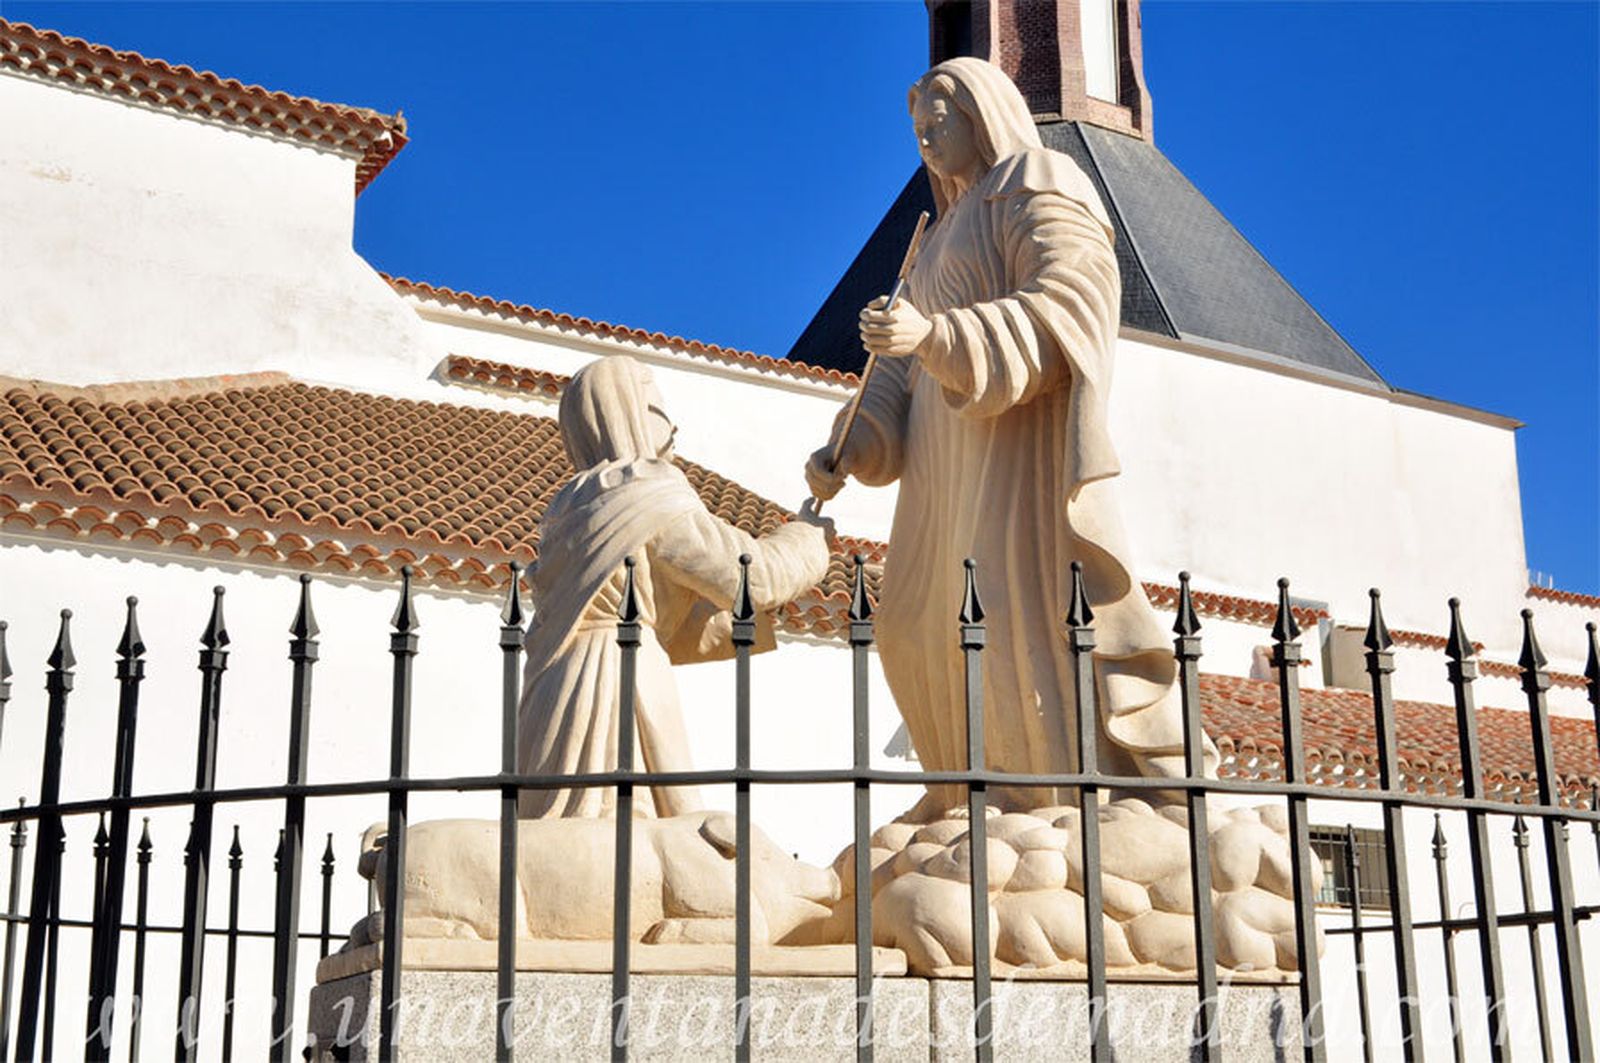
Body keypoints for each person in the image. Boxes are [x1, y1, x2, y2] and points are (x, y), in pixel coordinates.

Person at [805, 58, 1214, 817]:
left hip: (1011, 449)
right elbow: (894, 377)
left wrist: (936, 335)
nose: (926, 136)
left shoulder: (1037, 178)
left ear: (984, 112)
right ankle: (967, 789)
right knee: (908, 630)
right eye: (917, 124)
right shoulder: (927, 241)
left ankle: (1050, 797)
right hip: (939, 472)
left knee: (1000, 615)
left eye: (940, 118)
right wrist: (853, 442)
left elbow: (1071, 304)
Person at [522, 356, 831, 818]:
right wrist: (809, 536)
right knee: (643, 830)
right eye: (660, 412)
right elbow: (751, 576)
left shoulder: (567, 506)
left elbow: (661, 598)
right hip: (618, 678)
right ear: (628, 413)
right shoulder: (646, 491)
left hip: (552, 688)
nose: (674, 427)